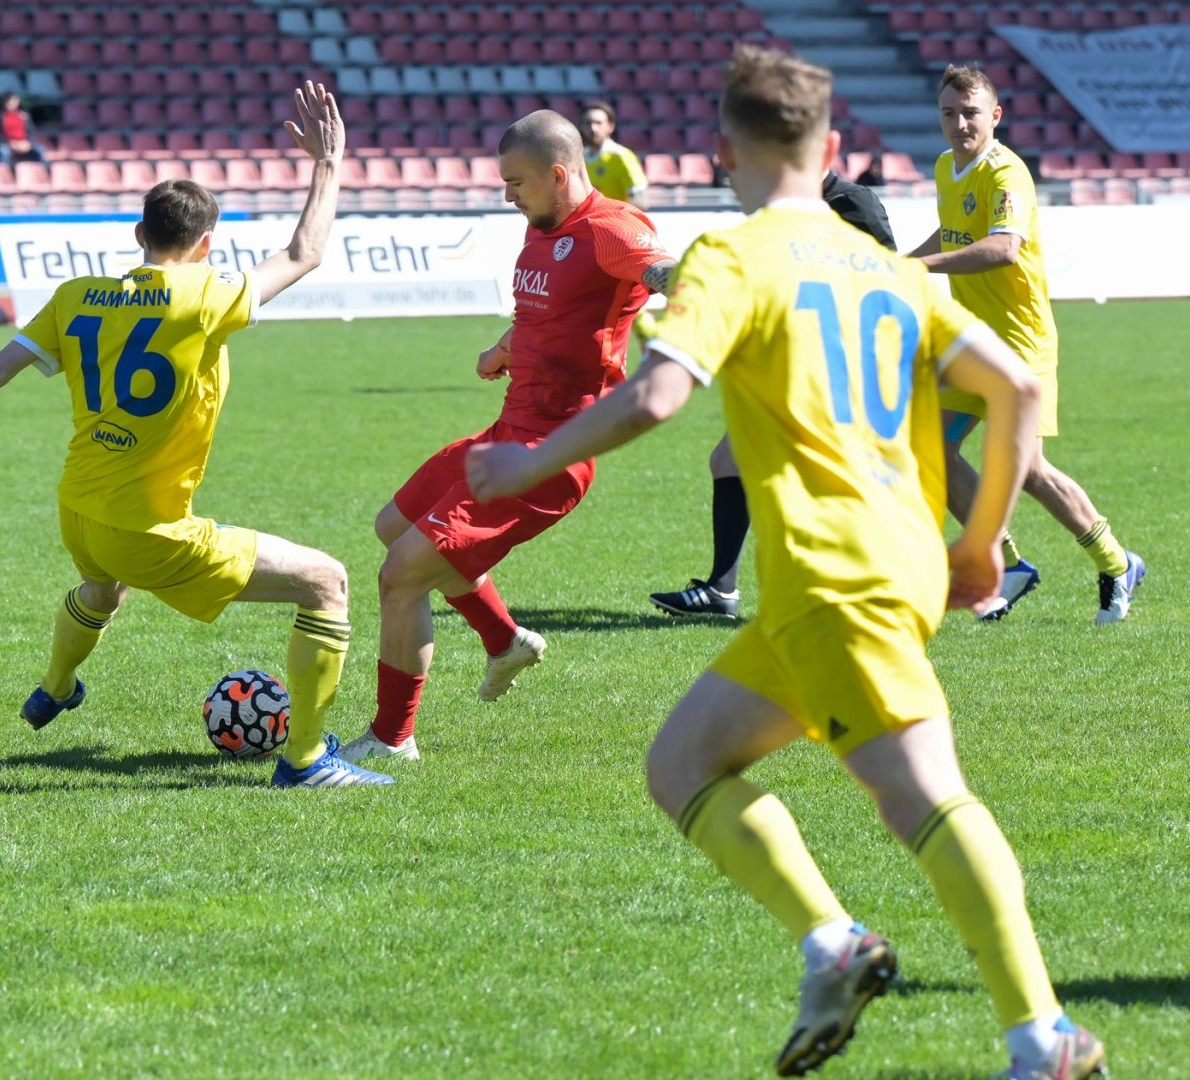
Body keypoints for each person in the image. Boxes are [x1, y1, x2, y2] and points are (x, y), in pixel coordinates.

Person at [466, 46, 1106, 1080]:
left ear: (725, 152)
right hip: (872, 565)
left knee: (923, 798)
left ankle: (1041, 1033)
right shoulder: (886, 266)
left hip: (834, 570)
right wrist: (980, 545)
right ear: (832, 148)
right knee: (682, 763)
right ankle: (833, 945)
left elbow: (657, 397)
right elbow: (1016, 385)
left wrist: (528, 460)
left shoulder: (735, 253)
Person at [0, 84, 393, 790]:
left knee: (102, 590)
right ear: (206, 246)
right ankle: (306, 761)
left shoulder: (75, 297)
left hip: (78, 510)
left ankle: (56, 686)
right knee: (326, 582)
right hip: (147, 528)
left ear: (138, 235)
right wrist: (327, 162)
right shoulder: (207, 293)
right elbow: (305, 252)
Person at [335, 111, 675, 765]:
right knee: (392, 526)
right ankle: (504, 641)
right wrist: (503, 347)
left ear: (558, 174)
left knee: (401, 575)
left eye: (516, 182)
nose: (507, 194)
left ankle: (391, 739)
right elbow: (547, 313)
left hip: (549, 455)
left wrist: (701, 285)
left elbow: (659, 268)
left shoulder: (611, 228)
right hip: (508, 431)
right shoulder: (542, 228)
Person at [911, 65, 1144, 624]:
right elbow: (954, 232)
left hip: (1020, 342)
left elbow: (1003, 248)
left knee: (1031, 470)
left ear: (995, 116)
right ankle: (1006, 563)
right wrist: (899, 263)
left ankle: (1117, 564)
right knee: (930, 445)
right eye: (949, 113)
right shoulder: (946, 167)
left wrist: (919, 267)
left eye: (970, 113)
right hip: (972, 340)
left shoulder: (1006, 173)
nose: (959, 124)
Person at [649, 165, 897, 618]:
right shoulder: (781, 213)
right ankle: (723, 590)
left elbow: (888, 286)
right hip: (790, 364)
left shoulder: (853, 203)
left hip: (838, 369)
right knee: (730, 461)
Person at [577, 101, 649, 209]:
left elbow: (640, 200)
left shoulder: (621, 156)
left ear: (610, 127)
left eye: (598, 123)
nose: (593, 128)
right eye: (588, 123)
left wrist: (614, 215)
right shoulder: (579, 158)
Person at [0, 91, 48, 168]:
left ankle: (41, 171)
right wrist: (9, 143)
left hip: (23, 144)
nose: (11, 103)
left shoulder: (24, 116)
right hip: (8, 144)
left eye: (14, 101)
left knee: (40, 150)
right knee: (3, 151)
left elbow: (32, 131)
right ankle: (4, 172)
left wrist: (28, 143)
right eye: (9, 101)